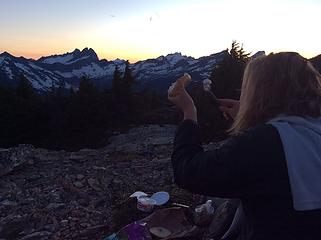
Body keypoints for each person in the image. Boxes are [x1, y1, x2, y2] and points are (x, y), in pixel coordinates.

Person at [168, 52, 321, 240]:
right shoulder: (311, 128)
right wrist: (256, 119)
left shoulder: (264, 144)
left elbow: (189, 171)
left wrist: (189, 112)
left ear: (261, 93)